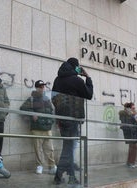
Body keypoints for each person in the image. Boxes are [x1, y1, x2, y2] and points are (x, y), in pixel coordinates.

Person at [51, 57, 93, 185]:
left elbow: (53, 98)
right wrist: (88, 77)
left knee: (68, 146)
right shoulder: (77, 80)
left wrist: (60, 113)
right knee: (68, 148)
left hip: (62, 119)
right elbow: (89, 94)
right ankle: (59, 176)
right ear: (75, 67)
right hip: (73, 119)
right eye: (78, 66)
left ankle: (71, 176)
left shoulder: (57, 80)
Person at [20, 80, 57, 175]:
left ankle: (52, 166)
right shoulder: (31, 99)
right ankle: (39, 166)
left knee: (50, 149)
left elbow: (51, 112)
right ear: (36, 88)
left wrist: (51, 122)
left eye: (43, 86)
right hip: (37, 128)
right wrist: (32, 115)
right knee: (38, 149)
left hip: (47, 128)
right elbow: (22, 109)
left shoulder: (47, 99)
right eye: (40, 87)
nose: (42, 88)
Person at [119, 102, 137, 168]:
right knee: (134, 148)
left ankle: (129, 162)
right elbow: (132, 123)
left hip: (130, 132)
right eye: (133, 108)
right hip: (131, 132)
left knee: (132, 147)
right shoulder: (128, 114)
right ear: (129, 108)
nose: (134, 109)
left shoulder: (125, 114)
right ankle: (131, 162)